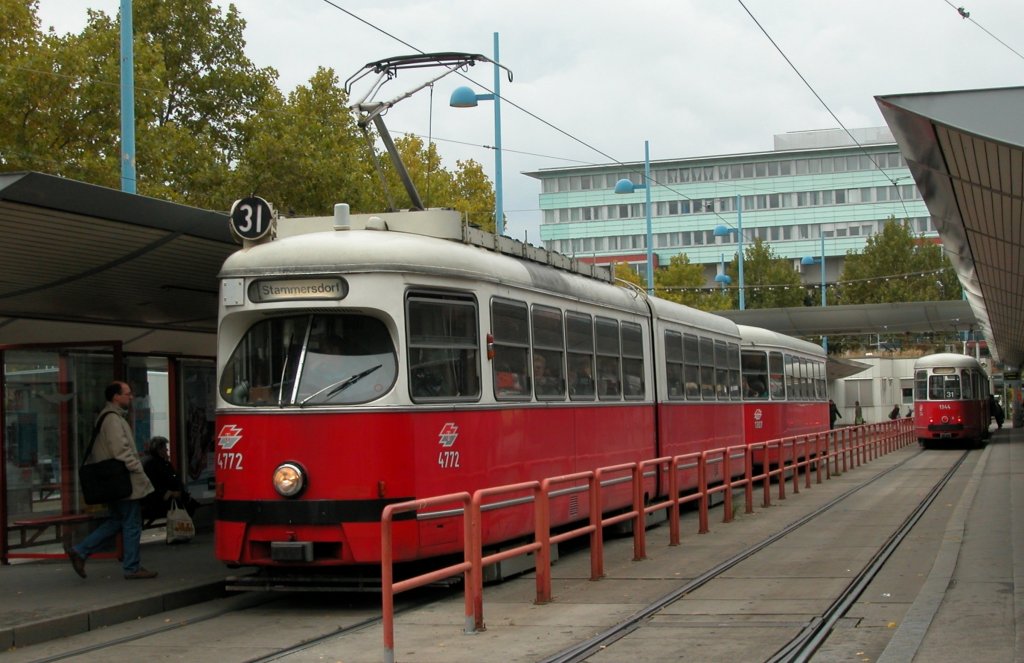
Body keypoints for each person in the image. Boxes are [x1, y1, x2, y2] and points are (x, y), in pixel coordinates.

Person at [67, 381, 157, 580]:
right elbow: (121, 450)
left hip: (114, 481)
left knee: (117, 520)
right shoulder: (113, 420)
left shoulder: (107, 418)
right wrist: (138, 469)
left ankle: (81, 551)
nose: (131, 397)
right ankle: (131, 567)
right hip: (124, 480)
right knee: (132, 523)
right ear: (116, 396)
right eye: (127, 393)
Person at [142, 436, 199, 525]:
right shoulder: (154, 464)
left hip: (158, 498)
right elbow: (162, 483)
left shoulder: (157, 462)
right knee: (189, 504)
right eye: (165, 448)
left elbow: (174, 479)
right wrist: (172, 493)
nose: (167, 450)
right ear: (159, 450)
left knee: (189, 501)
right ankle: (181, 528)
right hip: (156, 502)